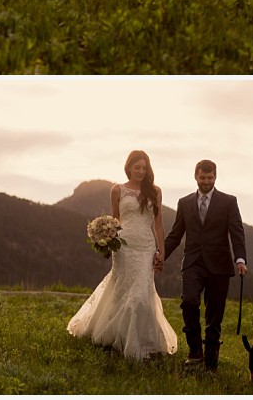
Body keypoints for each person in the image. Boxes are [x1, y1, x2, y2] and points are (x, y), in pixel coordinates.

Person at [67, 150, 178, 360]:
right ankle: (116, 337)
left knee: (141, 297)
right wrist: (107, 239)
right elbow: (115, 220)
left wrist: (161, 251)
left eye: (144, 168)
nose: (141, 171)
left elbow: (158, 223)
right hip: (124, 247)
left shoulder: (155, 191)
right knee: (121, 290)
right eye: (137, 167)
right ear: (129, 168)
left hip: (146, 246)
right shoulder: (117, 190)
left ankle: (142, 343)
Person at [163, 159, 248, 371]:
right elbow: (175, 235)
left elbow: (236, 232)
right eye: (203, 177)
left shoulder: (229, 201)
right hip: (193, 262)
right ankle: (194, 352)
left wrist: (240, 259)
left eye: (210, 178)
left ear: (215, 177)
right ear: (196, 176)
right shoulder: (184, 203)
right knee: (189, 301)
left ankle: (211, 360)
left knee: (214, 314)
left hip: (219, 264)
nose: (206, 182)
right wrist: (159, 256)